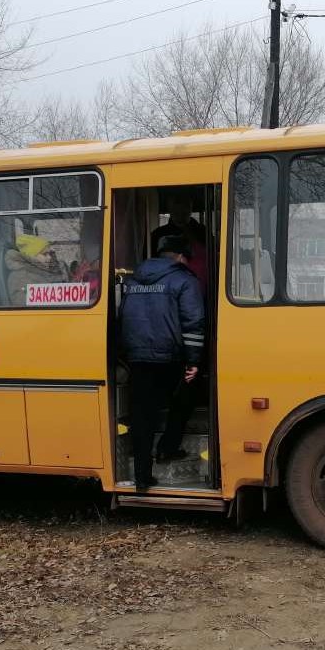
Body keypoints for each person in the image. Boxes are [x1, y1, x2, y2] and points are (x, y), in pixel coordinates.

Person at [120, 233, 206, 490]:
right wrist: (193, 361)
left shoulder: (133, 279)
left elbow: (123, 316)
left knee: (142, 415)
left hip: (137, 358)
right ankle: (167, 448)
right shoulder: (184, 280)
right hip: (169, 358)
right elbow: (193, 323)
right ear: (181, 257)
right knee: (188, 394)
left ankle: (142, 476)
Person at [151, 191, 209, 294]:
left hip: (200, 287)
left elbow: (215, 258)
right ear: (170, 208)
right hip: (167, 289)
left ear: (191, 207)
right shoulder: (158, 235)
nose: (181, 209)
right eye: (176, 205)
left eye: (185, 205)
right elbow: (150, 264)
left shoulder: (202, 233)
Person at [5, 233, 66, 306]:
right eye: (44, 254)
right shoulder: (19, 277)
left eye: (49, 254)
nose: (49, 257)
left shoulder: (41, 271)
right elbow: (25, 306)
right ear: (32, 256)